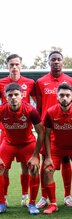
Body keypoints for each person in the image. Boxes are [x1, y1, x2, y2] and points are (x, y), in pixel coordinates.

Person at [35, 51, 72, 209]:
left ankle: (67, 196)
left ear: (63, 61)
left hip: (66, 127)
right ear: (48, 62)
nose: (56, 62)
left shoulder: (71, 81)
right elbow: (39, 106)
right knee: (45, 163)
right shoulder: (40, 82)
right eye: (53, 59)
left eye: (59, 59)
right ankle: (44, 196)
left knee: (66, 159)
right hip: (48, 128)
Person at [43, 83, 72, 214]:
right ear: (57, 97)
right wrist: (48, 157)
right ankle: (52, 204)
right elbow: (46, 135)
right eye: (61, 95)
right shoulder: (50, 112)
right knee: (48, 170)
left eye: (67, 95)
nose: (65, 98)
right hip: (57, 147)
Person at [0, 83, 44, 214]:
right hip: (9, 144)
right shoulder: (1, 110)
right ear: (6, 97)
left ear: (22, 96)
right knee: (0, 168)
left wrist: (36, 155)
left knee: (34, 169)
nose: (13, 97)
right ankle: (2, 202)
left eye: (16, 95)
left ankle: (31, 204)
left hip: (27, 144)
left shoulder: (31, 110)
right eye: (10, 95)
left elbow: (41, 132)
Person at [0, 54, 36, 207]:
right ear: (7, 66)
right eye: (11, 64)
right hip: (7, 130)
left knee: (25, 165)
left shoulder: (30, 83)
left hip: (24, 128)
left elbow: (37, 104)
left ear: (21, 65)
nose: (14, 67)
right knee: (4, 167)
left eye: (17, 64)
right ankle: (4, 197)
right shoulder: (1, 83)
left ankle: (25, 196)